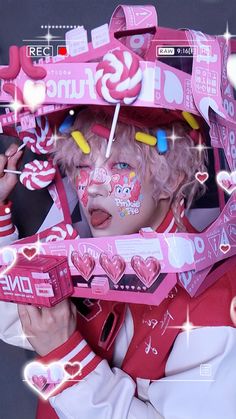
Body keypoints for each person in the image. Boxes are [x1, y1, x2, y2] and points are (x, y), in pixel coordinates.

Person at [0, 106, 236, 419]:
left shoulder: (216, 298)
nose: (93, 187)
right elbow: (16, 319)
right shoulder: (80, 252)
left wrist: (68, 354)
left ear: (172, 177)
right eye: (83, 166)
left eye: (120, 165)